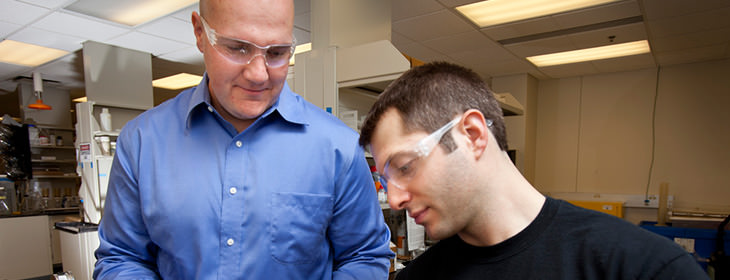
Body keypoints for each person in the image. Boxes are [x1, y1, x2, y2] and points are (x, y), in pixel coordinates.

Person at [93, 0, 393, 278]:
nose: (259, 74)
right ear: (200, 33)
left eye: (276, 53)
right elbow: (121, 258)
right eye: (237, 48)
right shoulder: (142, 142)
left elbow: (364, 256)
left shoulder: (338, 148)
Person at [358, 61, 709, 279]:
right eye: (385, 180)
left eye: (404, 167)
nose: (395, 197)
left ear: (472, 135)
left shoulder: (641, 266)